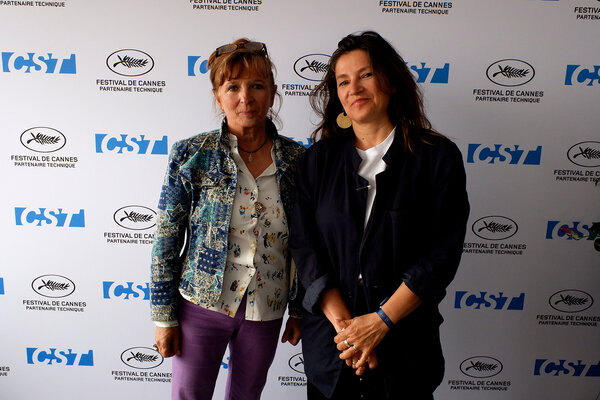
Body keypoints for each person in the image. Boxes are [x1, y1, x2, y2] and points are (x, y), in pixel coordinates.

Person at [289, 31, 469, 400]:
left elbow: (441, 254)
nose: (354, 87)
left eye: (366, 74)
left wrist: (381, 322)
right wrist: (349, 330)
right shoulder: (316, 162)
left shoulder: (437, 157)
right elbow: (305, 248)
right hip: (333, 352)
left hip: (405, 352)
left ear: (390, 80)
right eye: (343, 81)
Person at [150, 38, 304, 400]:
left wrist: (298, 308)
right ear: (218, 96)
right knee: (189, 395)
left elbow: (305, 242)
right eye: (232, 86)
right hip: (200, 304)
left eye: (256, 86)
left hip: (266, 307)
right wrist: (163, 317)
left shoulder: (299, 161)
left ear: (273, 93)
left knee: (247, 395)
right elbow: (166, 237)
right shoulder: (191, 154)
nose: (245, 97)